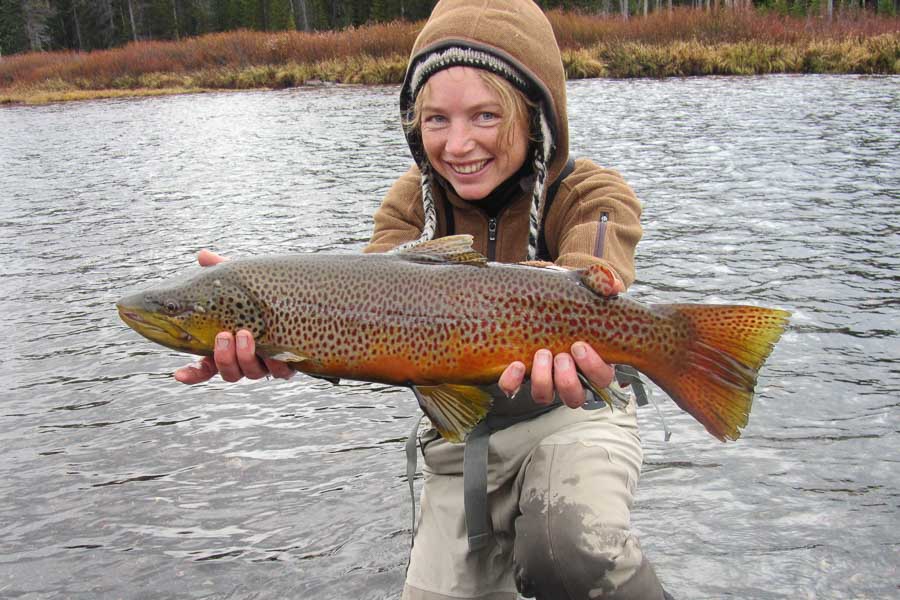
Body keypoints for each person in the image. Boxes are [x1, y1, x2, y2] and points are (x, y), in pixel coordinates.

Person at [176, 1, 672, 598]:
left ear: (536, 116)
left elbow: (595, 263)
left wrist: (579, 292)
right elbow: (362, 305)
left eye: (485, 116)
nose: (458, 144)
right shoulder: (410, 204)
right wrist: (264, 305)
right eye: (436, 120)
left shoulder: (587, 189)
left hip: (575, 416)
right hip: (460, 440)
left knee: (567, 551)